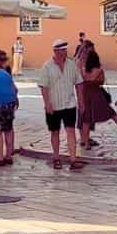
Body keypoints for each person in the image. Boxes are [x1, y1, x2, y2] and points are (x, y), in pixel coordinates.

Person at [38, 39, 85, 170]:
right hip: (54, 104)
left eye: (65, 50)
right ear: (56, 51)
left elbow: (79, 83)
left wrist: (81, 102)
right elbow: (44, 87)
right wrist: (47, 104)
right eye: (62, 50)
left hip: (69, 104)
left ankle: (73, 159)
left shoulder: (72, 65)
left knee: (70, 130)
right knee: (55, 132)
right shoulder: (47, 66)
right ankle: (56, 157)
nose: (65, 52)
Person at [79, 48, 117, 146]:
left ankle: (86, 143)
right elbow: (102, 82)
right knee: (112, 114)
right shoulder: (99, 70)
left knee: (86, 119)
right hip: (97, 95)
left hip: (86, 95)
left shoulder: (83, 70)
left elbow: (84, 81)